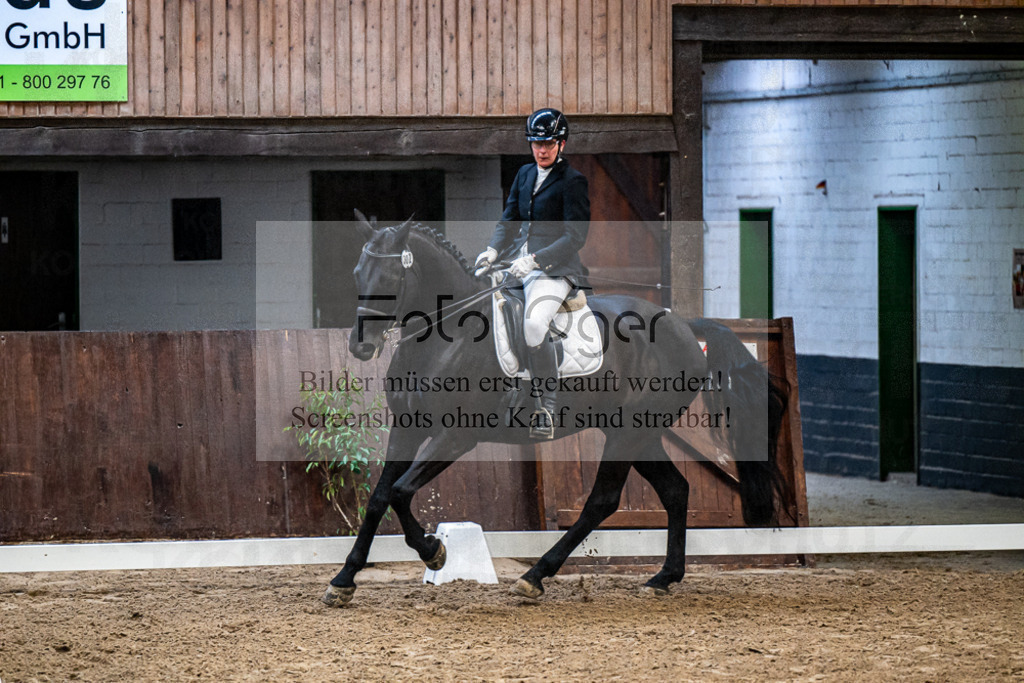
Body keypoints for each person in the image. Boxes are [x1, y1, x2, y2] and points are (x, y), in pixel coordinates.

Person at [474, 108, 591, 440]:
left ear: (561, 144)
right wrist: (493, 250)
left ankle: (545, 408)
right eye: (537, 143)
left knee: (535, 324)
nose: (542, 150)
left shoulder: (573, 182)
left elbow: (575, 237)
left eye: (549, 143)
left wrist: (537, 260)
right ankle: (508, 388)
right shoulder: (524, 174)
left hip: (556, 271)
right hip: (515, 263)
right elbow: (509, 219)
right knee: (488, 308)